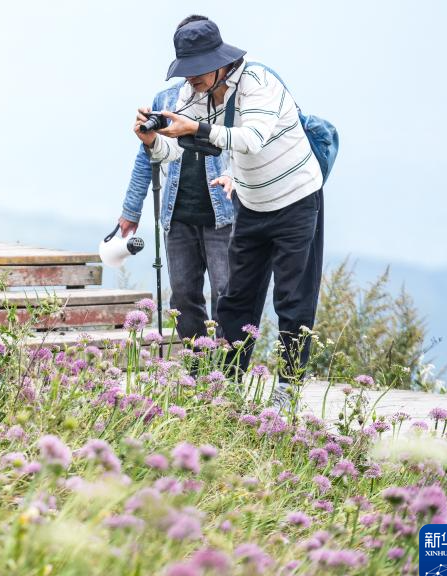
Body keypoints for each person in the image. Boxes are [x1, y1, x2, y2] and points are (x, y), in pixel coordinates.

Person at [139, 17, 325, 405]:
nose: (191, 80)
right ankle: (228, 383)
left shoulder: (258, 82)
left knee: (292, 298)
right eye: (185, 72)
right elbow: (175, 150)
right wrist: (154, 141)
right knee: (236, 298)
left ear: (220, 62)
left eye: (197, 71)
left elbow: (251, 139)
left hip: (296, 200)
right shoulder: (197, 93)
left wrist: (195, 131)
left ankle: (288, 389)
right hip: (253, 204)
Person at [123, 15, 235, 344]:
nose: (194, 73)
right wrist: (131, 210)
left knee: (226, 294)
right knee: (183, 299)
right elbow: (147, 156)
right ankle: (194, 371)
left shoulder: (231, 99)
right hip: (178, 215)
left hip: (223, 216)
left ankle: (228, 373)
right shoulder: (166, 101)